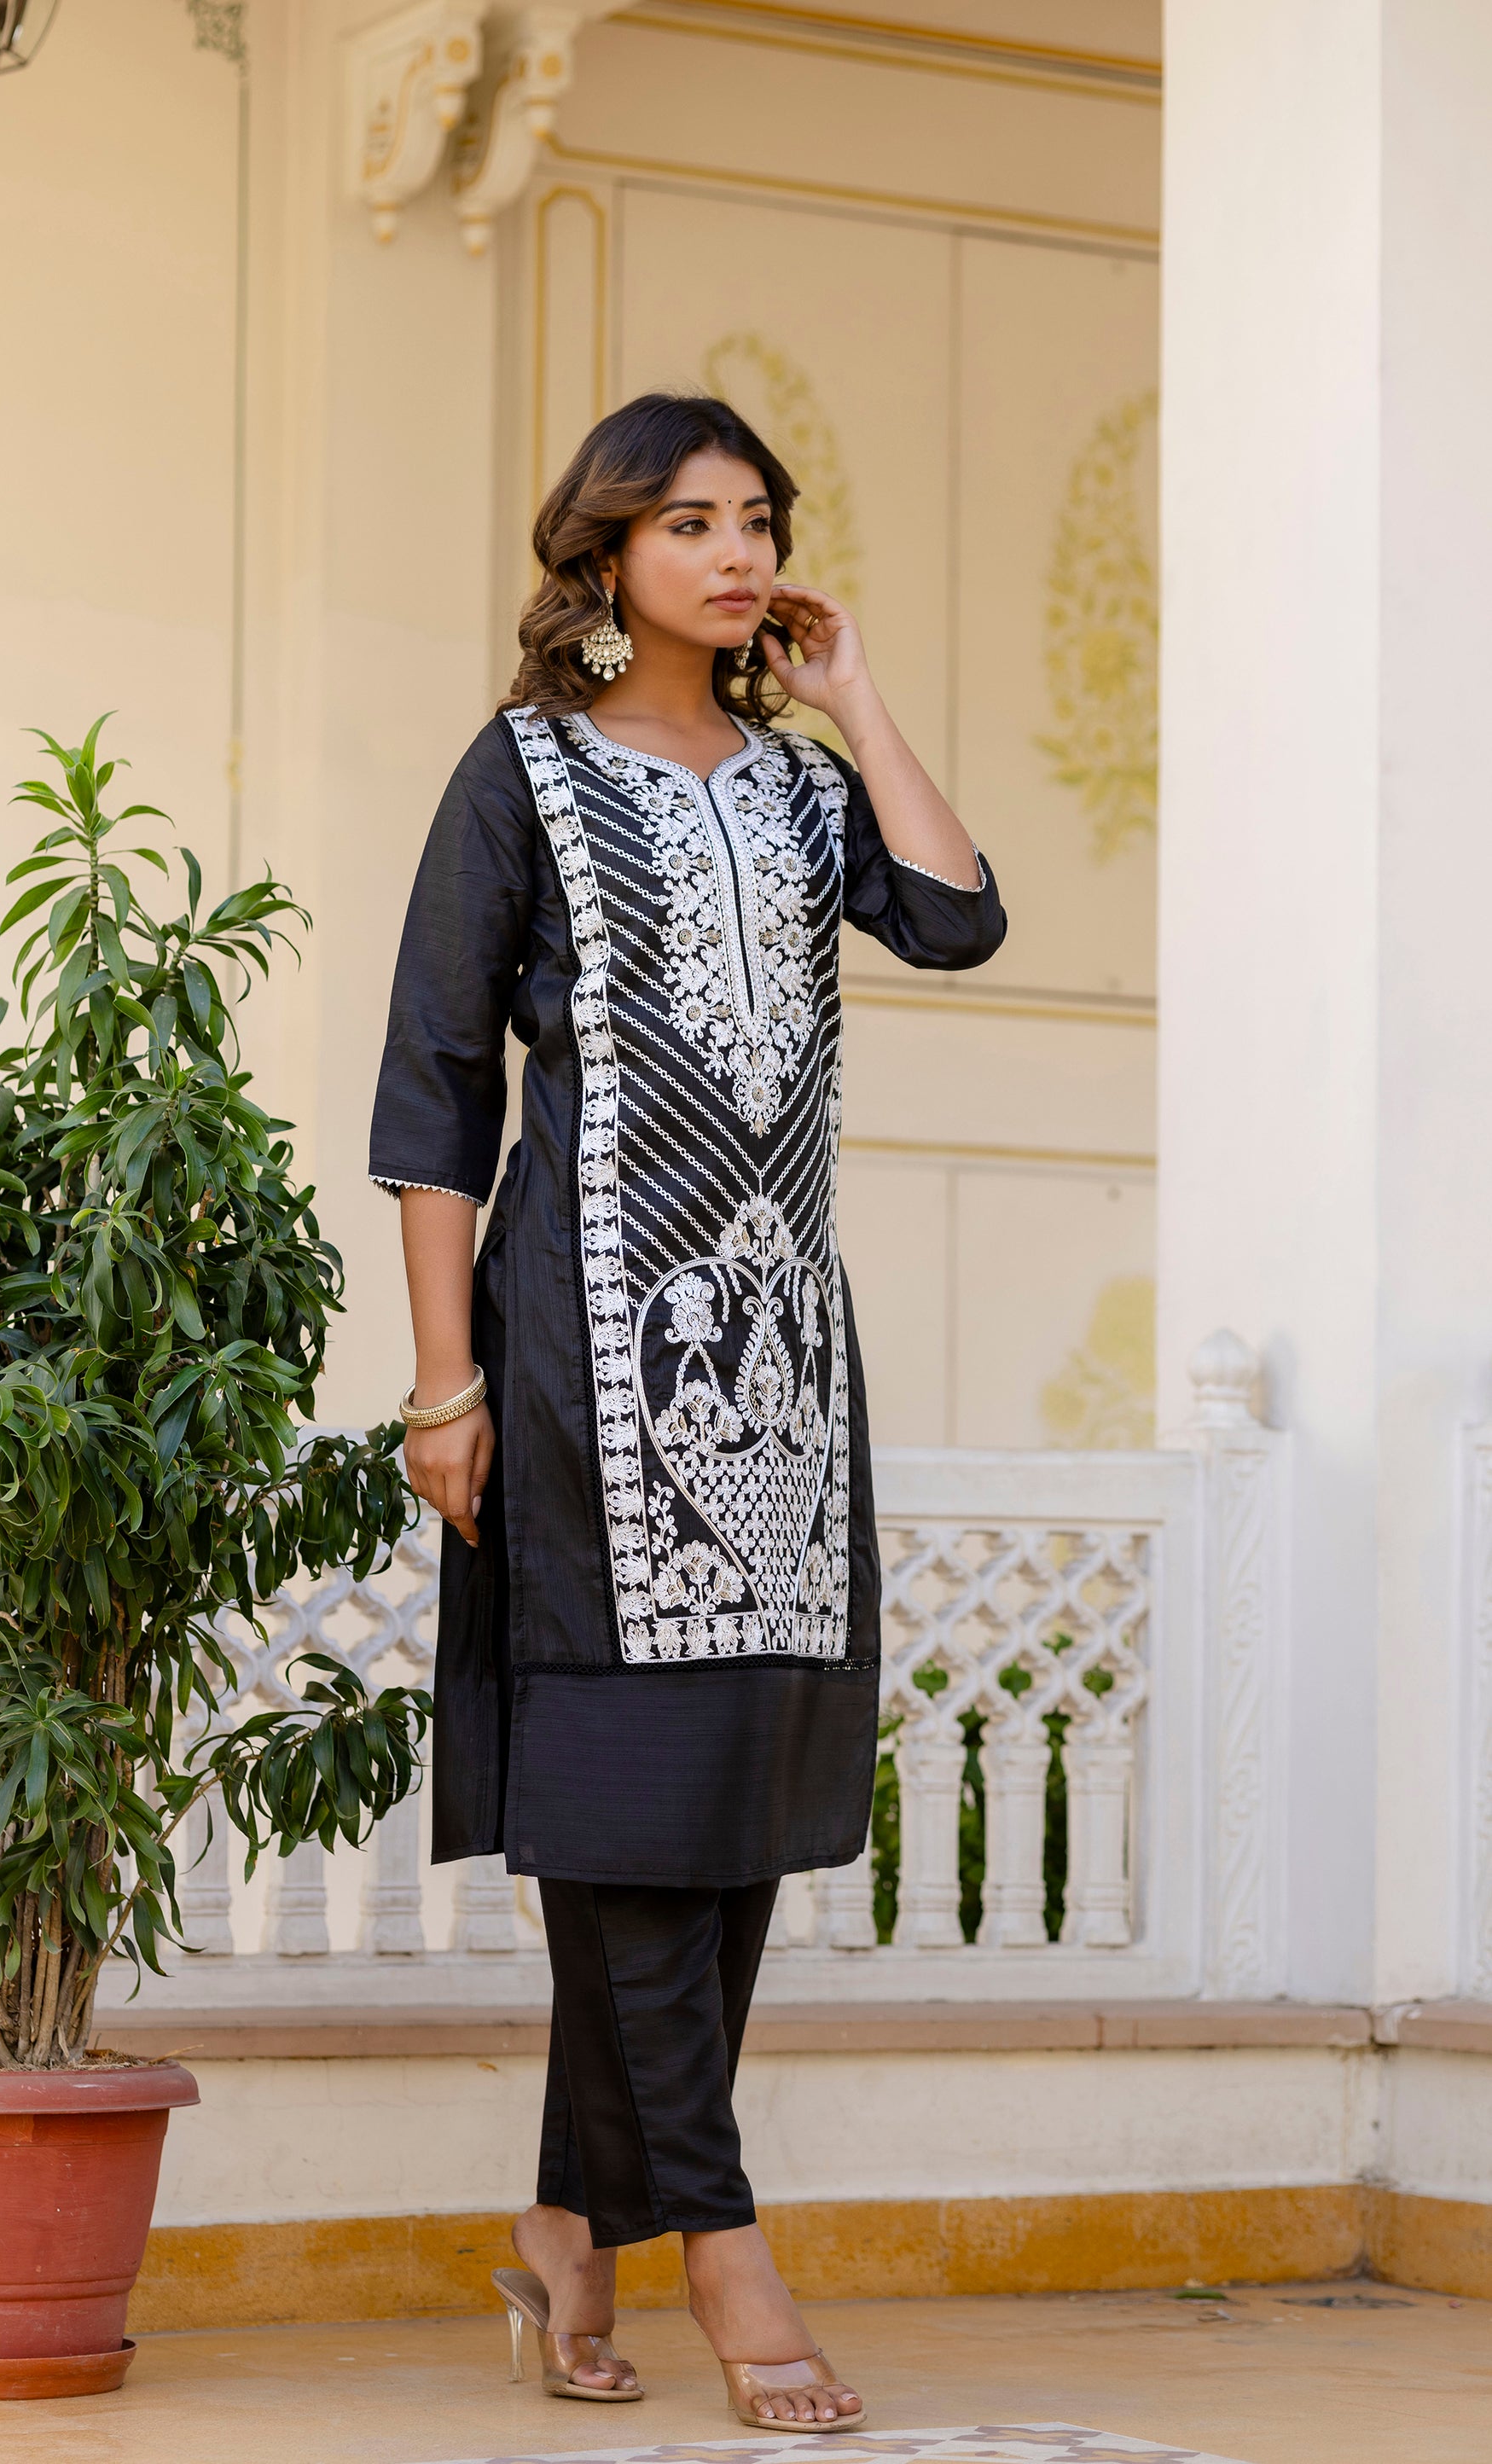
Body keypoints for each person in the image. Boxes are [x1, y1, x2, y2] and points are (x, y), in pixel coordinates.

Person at [369, 392, 1007, 2430]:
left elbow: (959, 916)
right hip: (581, 1350)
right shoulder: (526, 774)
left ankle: (573, 2222)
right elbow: (434, 1092)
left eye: (758, 523)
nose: (735, 555)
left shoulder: (806, 789)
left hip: (784, 1367)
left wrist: (858, 697)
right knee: (628, 1796)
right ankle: (727, 2253)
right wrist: (445, 1381)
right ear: (607, 555)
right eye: (690, 523)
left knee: (725, 1814)